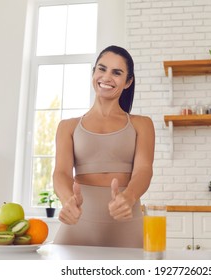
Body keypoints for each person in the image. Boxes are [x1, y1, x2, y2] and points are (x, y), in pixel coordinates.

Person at [52, 45, 155, 248]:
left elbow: (144, 170)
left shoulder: (142, 124)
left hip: (126, 223)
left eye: (117, 73)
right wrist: (68, 201)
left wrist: (129, 196)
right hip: (77, 223)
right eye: (102, 69)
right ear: (93, 73)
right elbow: (61, 173)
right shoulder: (67, 126)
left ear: (128, 82)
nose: (107, 77)